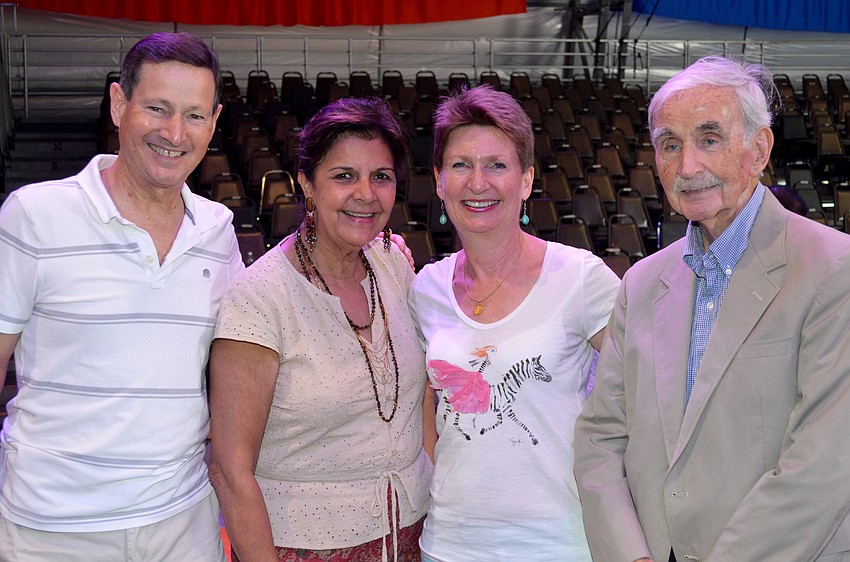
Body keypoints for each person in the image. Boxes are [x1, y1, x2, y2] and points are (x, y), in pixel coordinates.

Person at [574, 56, 850, 562]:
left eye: (708, 139)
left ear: (759, 150)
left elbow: (824, 464)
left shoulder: (834, 268)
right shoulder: (640, 283)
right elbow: (600, 439)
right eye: (670, 145)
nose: (687, 167)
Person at [0, 33, 239, 560]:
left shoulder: (219, 232)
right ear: (118, 104)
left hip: (184, 520)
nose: (175, 133)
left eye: (195, 116)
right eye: (157, 108)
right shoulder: (34, 216)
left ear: (214, 122)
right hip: (52, 528)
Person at [209, 96, 432, 562]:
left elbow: (420, 402)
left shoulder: (394, 265)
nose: (366, 194)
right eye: (344, 176)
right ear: (307, 184)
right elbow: (231, 471)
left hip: (412, 539)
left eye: (381, 177)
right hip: (303, 549)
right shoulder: (260, 298)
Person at [408, 85, 620, 562]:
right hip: (450, 546)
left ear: (526, 181)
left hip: (559, 545)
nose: (477, 182)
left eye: (497, 165)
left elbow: (647, 385)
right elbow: (425, 411)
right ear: (439, 182)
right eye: (461, 165)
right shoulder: (426, 289)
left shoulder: (580, 277)